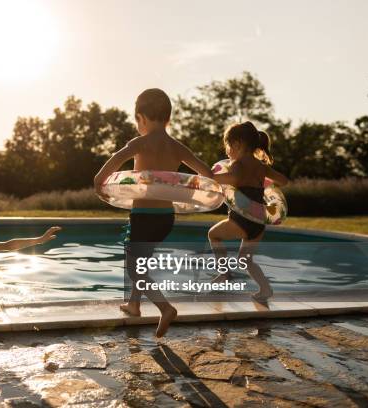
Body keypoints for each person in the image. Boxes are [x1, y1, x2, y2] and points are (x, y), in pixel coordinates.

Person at [93, 88, 214, 337]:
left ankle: (165, 308)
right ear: (168, 119)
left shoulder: (140, 143)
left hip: (143, 216)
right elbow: (206, 174)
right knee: (143, 260)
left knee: (135, 268)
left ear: (141, 118)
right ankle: (134, 305)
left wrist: (98, 182)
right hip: (165, 218)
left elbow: (115, 161)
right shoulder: (178, 147)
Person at [208, 121, 288, 304]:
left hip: (241, 219)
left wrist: (212, 177)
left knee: (213, 235)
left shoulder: (236, 163)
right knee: (246, 260)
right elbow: (283, 181)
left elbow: (234, 178)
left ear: (237, 144)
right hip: (259, 221)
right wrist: (266, 183)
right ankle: (265, 289)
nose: (227, 150)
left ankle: (224, 274)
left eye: (227, 145)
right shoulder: (261, 166)